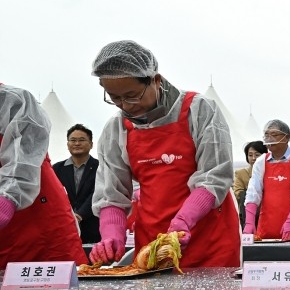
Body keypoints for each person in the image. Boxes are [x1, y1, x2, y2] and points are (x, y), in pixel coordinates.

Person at [89, 40, 240, 267]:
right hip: (153, 240)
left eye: (132, 95)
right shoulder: (117, 129)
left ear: (156, 81)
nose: (126, 106)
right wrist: (112, 234)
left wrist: (184, 220)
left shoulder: (198, 110)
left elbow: (214, 177)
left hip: (209, 236)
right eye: (115, 98)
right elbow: (112, 193)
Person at [0, 84, 87, 268]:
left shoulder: (12, 101)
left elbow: (23, 161)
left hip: (39, 223)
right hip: (5, 238)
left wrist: (6, 199)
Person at [243, 120, 290, 240]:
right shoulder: (261, 161)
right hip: (267, 228)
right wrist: (249, 222)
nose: (269, 139)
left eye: (274, 135)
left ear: (287, 137)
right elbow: (253, 192)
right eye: (267, 135)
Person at [52, 124, 101, 243]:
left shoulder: (100, 167)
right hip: (64, 226)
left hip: (92, 226)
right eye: (73, 140)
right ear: (68, 144)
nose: (77, 143)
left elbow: (98, 192)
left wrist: (79, 215)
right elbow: (54, 195)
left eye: (82, 140)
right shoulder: (57, 168)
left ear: (91, 144)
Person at [233, 141, 267, 225]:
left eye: (257, 155)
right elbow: (238, 194)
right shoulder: (240, 173)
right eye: (250, 155)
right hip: (249, 212)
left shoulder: (271, 173)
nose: (253, 158)